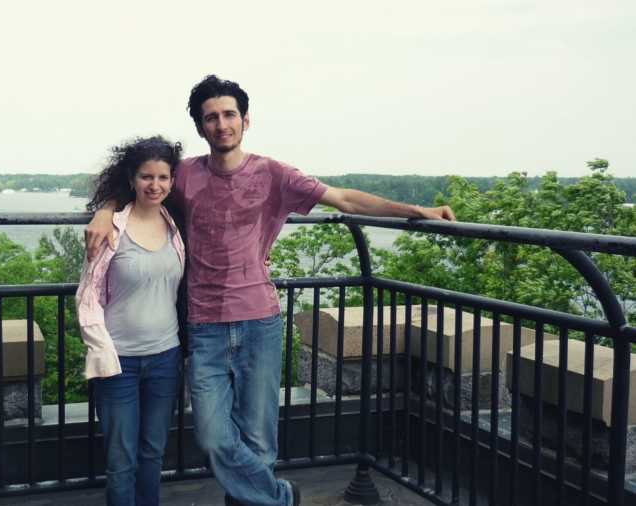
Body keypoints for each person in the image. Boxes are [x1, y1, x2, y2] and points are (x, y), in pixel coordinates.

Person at [85, 76, 456, 506]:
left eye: (229, 115)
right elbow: (137, 187)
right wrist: (105, 210)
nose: (221, 124)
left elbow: (347, 201)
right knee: (210, 435)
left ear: (245, 120)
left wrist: (418, 210)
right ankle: (281, 498)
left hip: (260, 320)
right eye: (211, 118)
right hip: (204, 326)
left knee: (259, 439)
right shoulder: (185, 176)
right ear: (201, 127)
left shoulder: (274, 174)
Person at [75, 136, 186, 506]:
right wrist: (101, 352)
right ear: (132, 178)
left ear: (172, 181)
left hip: (166, 358)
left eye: (163, 177)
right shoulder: (110, 230)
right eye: (146, 177)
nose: (154, 185)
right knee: (121, 461)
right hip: (118, 362)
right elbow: (87, 299)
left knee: (152, 454)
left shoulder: (177, 226)